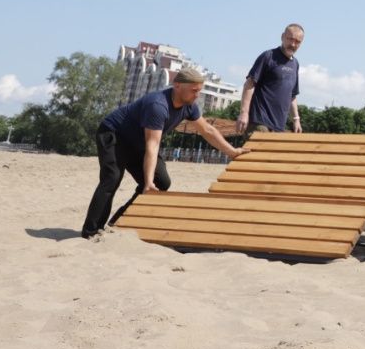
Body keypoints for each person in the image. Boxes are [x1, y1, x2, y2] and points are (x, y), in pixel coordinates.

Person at [81, 68, 248, 238]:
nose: (197, 95)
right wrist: (147, 182)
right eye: (194, 90)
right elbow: (152, 145)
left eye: (199, 90)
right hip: (114, 134)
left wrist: (232, 152)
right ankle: (91, 231)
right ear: (177, 85)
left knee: (161, 182)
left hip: (138, 142)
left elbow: (207, 130)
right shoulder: (158, 105)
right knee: (112, 178)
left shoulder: (189, 107)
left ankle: (119, 221)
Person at [235, 24, 304, 135]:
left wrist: (296, 119)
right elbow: (249, 84)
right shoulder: (268, 56)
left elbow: (292, 95)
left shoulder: (295, 64)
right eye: (290, 39)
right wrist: (244, 113)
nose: (293, 44)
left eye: (297, 41)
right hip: (259, 122)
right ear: (282, 37)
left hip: (279, 127)